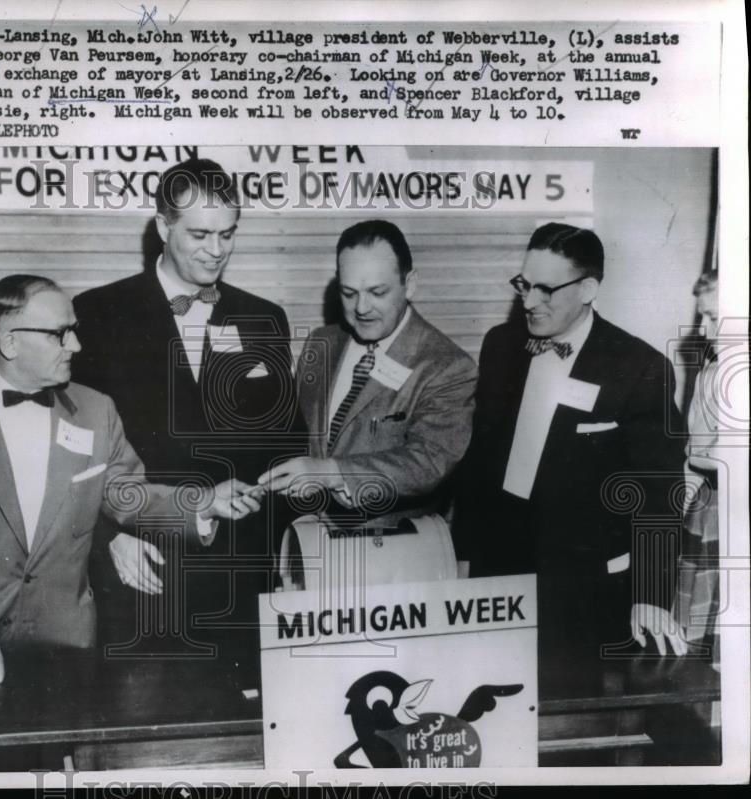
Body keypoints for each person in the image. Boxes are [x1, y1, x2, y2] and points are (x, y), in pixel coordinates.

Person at [0, 275, 259, 771]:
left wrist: (203, 502)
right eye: (60, 333)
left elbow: (127, 493)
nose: (75, 344)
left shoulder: (95, 411)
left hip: (63, 660)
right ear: (10, 342)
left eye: (74, 330)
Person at [71, 158, 305, 682]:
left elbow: (286, 441)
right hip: (144, 566)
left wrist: (289, 557)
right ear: (162, 227)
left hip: (241, 577)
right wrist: (105, 535)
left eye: (228, 234)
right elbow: (70, 453)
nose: (216, 250)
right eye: (200, 234)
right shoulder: (98, 314)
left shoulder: (263, 318)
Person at [454, 223, 688, 672]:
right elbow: (479, 463)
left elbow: (660, 492)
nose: (528, 301)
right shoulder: (500, 346)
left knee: (575, 719)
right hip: (500, 569)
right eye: (524, 284)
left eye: (546, 289)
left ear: (588, 288)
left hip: (585, 584)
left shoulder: (639, 368)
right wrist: (464, 554)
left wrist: (651, 595)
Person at [257, 220, 477, 584]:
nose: (361, 308)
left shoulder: (447, 366)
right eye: (348, 293)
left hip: (394, 566)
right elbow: (295, 438)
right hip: (309, 556)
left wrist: (330, 472)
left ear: (411, 284)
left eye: (377, 292)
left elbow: (427, 461)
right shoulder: (320, 345)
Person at [675, 270, 721, 666]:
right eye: (701, 318)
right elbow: (695, 454)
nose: (704, 332)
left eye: (713, 318)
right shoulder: (709, 376)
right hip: (715, 514)